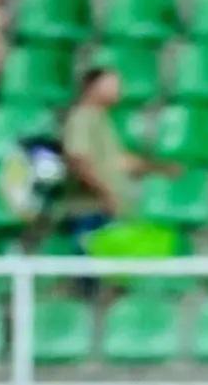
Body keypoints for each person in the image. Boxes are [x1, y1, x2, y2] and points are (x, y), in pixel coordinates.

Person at [62, 66, 181, 251]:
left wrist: (159, 168)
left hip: (106, 211)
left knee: (109, 273)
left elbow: (120, 161)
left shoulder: (101, 119)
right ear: (91, 86)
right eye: (111, 84)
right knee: (90, 272)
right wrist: (107, 194)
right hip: (89, 211)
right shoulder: (81, 118)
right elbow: (79, 162)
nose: (118, 89)